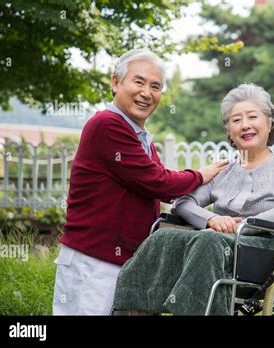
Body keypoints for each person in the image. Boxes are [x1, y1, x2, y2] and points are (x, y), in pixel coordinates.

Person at [52, 49, 228, 315]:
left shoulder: (141, 136)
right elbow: (157, 181)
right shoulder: (108, 125)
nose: (147, 93)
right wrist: (201, 175)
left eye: (155, 86)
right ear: (115, 82)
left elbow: (157, 186)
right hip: (94, 259)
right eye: (139, 82)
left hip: (121, 260)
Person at [112, 83, 274, 315]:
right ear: (228, 131)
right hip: (217, 242)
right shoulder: (223, 170)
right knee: (163, 236)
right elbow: (183, 203)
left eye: (252, 117)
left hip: (266, 250)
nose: (245, 125)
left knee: (208, 242)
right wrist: (211, 219)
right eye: (236, 120)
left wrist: (240, 226)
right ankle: (135, 308)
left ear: (269, 123)